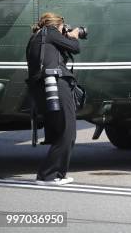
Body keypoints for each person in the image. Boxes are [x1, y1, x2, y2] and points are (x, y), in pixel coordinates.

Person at [26, 12, 81, 186]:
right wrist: (74, 35)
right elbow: (75, 48)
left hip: (42, 89)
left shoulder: (36, 38)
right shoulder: (50, 32)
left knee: (60, 131)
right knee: (68, 131)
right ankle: (48, 175)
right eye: (62, 27)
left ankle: (56, 174)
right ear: (57, 25)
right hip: (56, 85)